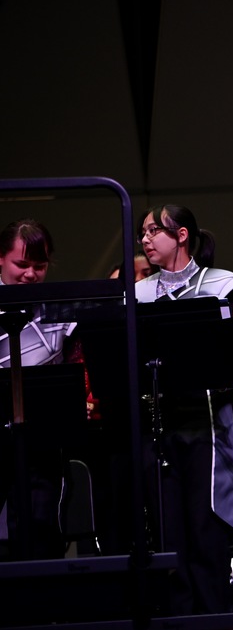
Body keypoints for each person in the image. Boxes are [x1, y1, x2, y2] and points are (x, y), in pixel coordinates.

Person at [136, 204, 233, 615]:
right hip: (158, 428)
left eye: (154, 230)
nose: (146, 239)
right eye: (143, 233)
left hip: (209, 426)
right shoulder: (136, 295)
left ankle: (215, 618)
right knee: (168, 538)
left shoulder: (223, 285)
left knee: (205, 534)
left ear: (182, 234)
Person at [0, 220, 79, 560]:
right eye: (22, 265)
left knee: (40, 526)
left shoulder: (60, 312)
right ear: (0, 259)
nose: (31, 274)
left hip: (42, 442)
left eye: (40, 266)